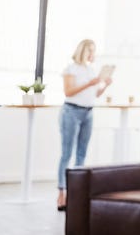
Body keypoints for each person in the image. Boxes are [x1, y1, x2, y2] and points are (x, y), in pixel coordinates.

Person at [56, 39, 113, 211]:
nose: (92, 54)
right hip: (71, 112)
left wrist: (104, 85)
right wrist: (89, 83)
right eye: (90, 50)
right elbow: (68, 92)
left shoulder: (90, 69)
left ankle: (76, 192)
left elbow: (93, 94)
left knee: (82, 154)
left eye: (93, 51)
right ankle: (62, 194)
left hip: (88, 112)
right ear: (82, 51)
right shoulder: (71, 68)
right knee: (67, 154)